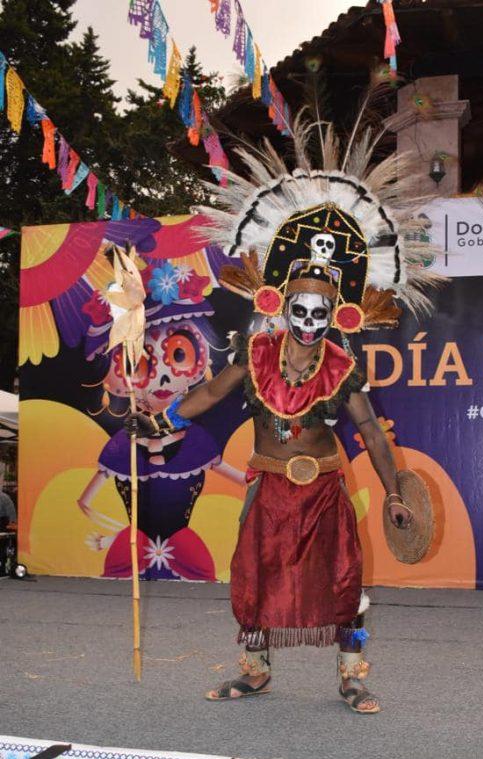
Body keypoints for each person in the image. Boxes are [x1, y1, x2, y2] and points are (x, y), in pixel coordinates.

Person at [124, 108, 439, 714]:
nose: (310, 322)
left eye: (322, 313)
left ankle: (351, 676)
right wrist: (163, 420)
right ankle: (255, 670)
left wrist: (397, 488)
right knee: (253, 575)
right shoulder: (256, 354)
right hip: (268, 483)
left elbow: (370, 431)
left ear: (336, 314)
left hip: (323, 489)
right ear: (282, 303)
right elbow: (212, 392)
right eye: (301, 309)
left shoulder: (342, 368)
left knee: (343, 579)